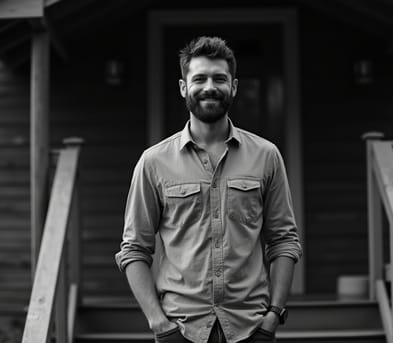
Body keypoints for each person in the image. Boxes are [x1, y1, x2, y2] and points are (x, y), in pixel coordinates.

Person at [115, 36, 302, 343]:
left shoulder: (266, 155)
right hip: (181, 329)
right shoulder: (154, 162)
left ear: (235, 86)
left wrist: (274, 315)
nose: (209, 87)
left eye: (220, 78)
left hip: (250, 328)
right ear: (183, 87)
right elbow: (134, 248)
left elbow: (284, 240)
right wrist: (158, 323)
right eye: (199, 78)